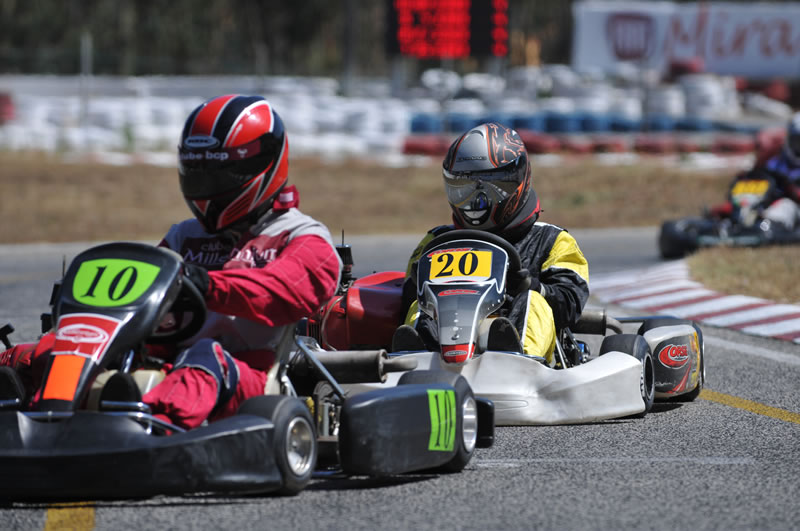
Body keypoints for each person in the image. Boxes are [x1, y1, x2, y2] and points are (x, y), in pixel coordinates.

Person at [0, 94, 342, 430]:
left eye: (217, 176)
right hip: (164, 362)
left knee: (206, 356)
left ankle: (149, 423)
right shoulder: (184, 236)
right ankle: (31, 406)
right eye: (197, 174)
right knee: (53, 350)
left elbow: (281, 292)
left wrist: (205, 284)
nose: (205, 187)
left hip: (244, 376)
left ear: (257, 166)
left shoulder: (303, 236)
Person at [395, 122, 589, 366]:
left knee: (533, 300)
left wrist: (531, 286)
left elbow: (571, 304)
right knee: (420, 303)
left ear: (520, 181)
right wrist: (418, 283)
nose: (476, 202)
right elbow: (403, 302)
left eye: (492, 190)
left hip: (523, 354)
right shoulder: (435, 242)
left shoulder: (552, 241)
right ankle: (413, 358)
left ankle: (518, 359)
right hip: (441, 351)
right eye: (462, 190)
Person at [711, 112, 800, 231]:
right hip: (766, 204)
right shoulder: (774, 160)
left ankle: (767, 227)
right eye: (797, 142)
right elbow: (760, 176)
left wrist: (791, 189)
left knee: (786, 206)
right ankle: (734, 219)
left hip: (792, 208)